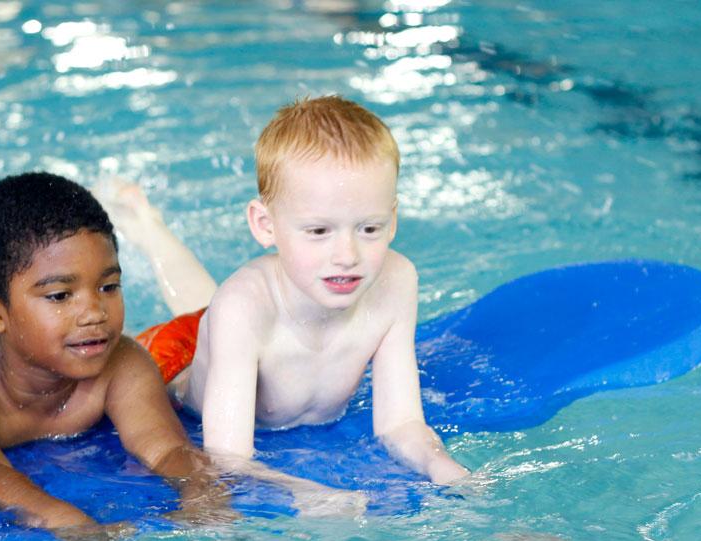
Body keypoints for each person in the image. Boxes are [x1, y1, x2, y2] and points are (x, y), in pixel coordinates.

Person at [96, 95, 469, 509]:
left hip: (247, 320)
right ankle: (147, 226)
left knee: (210, 303)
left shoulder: (397, 282)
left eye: (369, 228)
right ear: (265, 225)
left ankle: (149, 226)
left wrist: (444, 467)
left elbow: (401, 423)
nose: (347, 254)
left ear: (393, 220)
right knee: (206, 310)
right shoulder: (241, 309)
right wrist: (304, 494)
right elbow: (227, 460)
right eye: (318, 231)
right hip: (176, 363)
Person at [0, 172, 237, 541]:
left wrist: (201, 492)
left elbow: (167, 446)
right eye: (62, 295)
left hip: (26, 328)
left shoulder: (119, 360)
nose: (94, 312)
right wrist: (70, 523)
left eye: (108, 287)